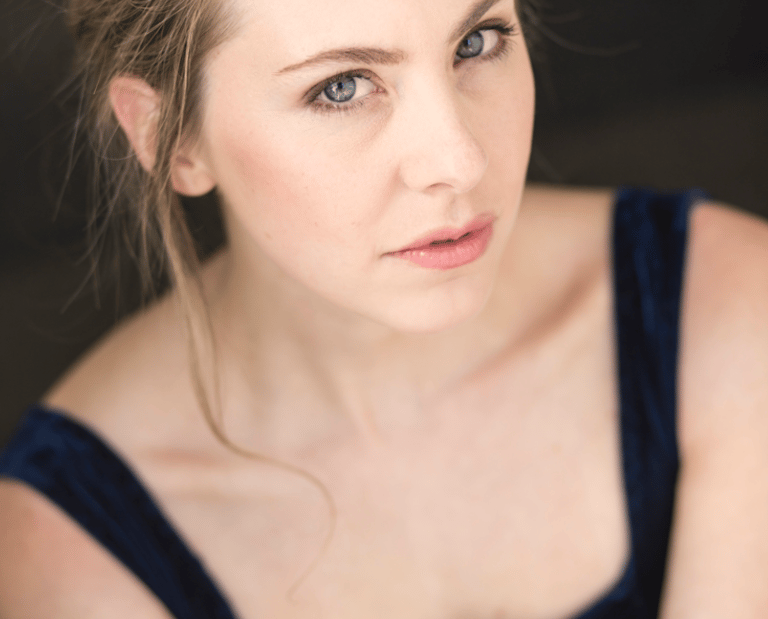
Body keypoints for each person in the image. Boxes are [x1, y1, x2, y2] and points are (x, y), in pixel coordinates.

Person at [1, 0, 768, 616]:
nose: (459, 159)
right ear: (172, 139)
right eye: (341, 87)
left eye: (477, 41)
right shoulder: (70, 552)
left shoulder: (722, 315)